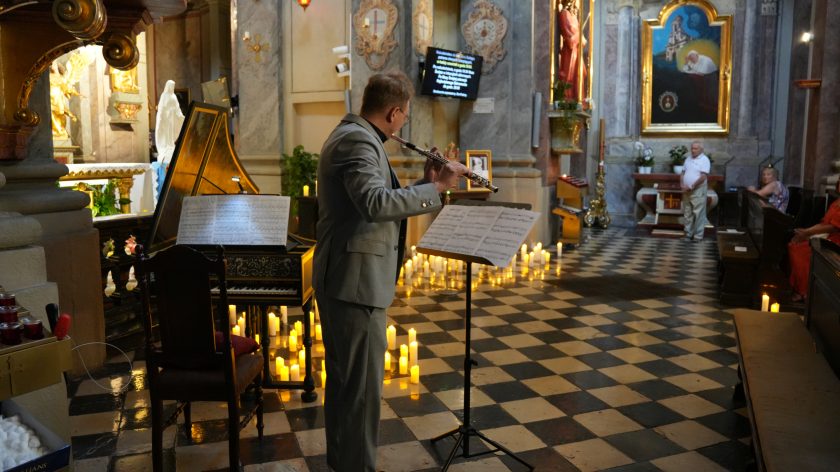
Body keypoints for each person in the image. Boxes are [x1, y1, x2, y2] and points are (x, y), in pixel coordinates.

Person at [313, 71, 466, 472]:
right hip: (353, 285)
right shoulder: (356, 141)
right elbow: (375, 205)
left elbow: (371, 201)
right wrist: (439, 189)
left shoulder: (359, 137)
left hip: (352, 281)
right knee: (359, 394)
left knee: (351, 390)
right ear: (395, 112)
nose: (405, 122)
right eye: (406, 114)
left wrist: (426, 181)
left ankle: (345, 465)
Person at [788, 179, 840, 301]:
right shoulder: (837, 202)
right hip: (826, 235)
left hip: (835, 241)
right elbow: (824, 223)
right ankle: (798, 288)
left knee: (800, 249)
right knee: (795, 242)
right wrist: (806, 232)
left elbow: (833, 227)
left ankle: (804, 291)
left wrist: (807, 232)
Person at [681, 140, 711, 241]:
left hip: (697, 190)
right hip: (686, 190)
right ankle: (688, 234)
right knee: (687, 212)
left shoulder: (704, 160)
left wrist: (692, 186)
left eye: (695, 148)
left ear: (701, 150)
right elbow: (682, 172)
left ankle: (698, 236)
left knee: (698, 213)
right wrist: (682, 184)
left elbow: (703, 177)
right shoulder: (688, 159)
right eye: (692, 148)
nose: (693, 150)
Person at [154, 80, 185, 166]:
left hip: (172, 118)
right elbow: (161, 108)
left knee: (171, 132)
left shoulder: (174, 96)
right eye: (171, 86)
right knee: (166, 133)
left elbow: (177, 108)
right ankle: (166, 146)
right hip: (166, 118)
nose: (172, 88)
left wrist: (180, 116)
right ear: (168, 86)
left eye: (173, 86)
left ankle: (170, 145)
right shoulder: (164, 95)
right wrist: (161, 116)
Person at [557, 0, 581, 100]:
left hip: (576, 52)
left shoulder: (575, 17)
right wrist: (578, 37)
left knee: (577, 77)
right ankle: (566, 99)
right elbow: (568, 37)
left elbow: (582, 38)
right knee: (567, 76)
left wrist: (580, 38)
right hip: (568, 52)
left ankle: (574, 100)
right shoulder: (564, 14)